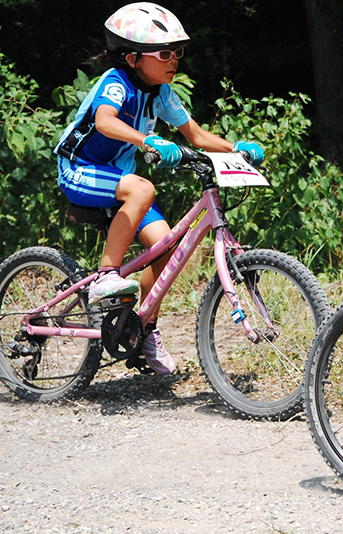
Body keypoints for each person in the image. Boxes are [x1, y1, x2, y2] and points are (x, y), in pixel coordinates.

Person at [55, 2, 265, 374]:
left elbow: (196, 135)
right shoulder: (115, 83)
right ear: (134, 58)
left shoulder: (162, 93)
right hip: (80, 170)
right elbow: (104, 122)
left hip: (120, 180)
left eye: (178, 52)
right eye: (165, 53)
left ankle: (141, 327)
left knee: (166, 244)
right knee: (143, 189)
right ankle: (107, 277)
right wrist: (148, 141)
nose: (175, 60)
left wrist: (238, 148)